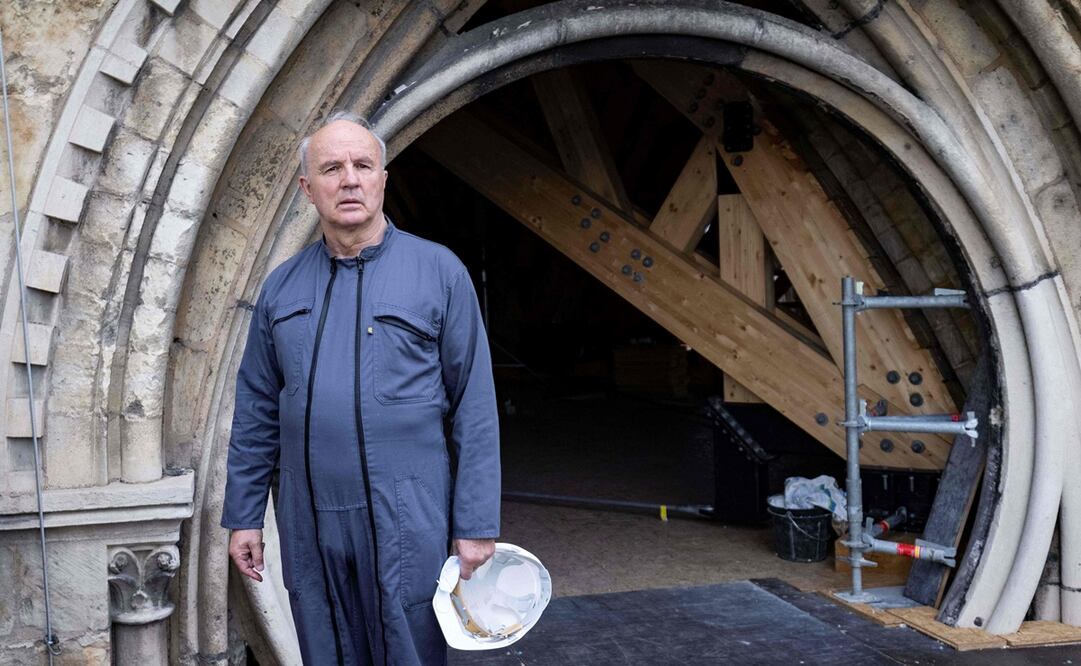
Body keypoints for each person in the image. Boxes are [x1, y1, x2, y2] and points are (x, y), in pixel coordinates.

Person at [220, 110, 501, 666]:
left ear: (382, 179)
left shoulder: (439, 272)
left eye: (362, 165)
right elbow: (255, 412)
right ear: (308, 188)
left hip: (410, 514)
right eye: (331, 168)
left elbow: (475, 406)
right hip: (309, 517)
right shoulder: (281, 288)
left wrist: (474, 524)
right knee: (325, 645)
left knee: (410, 646)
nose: (348, 179)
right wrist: (245, 515)